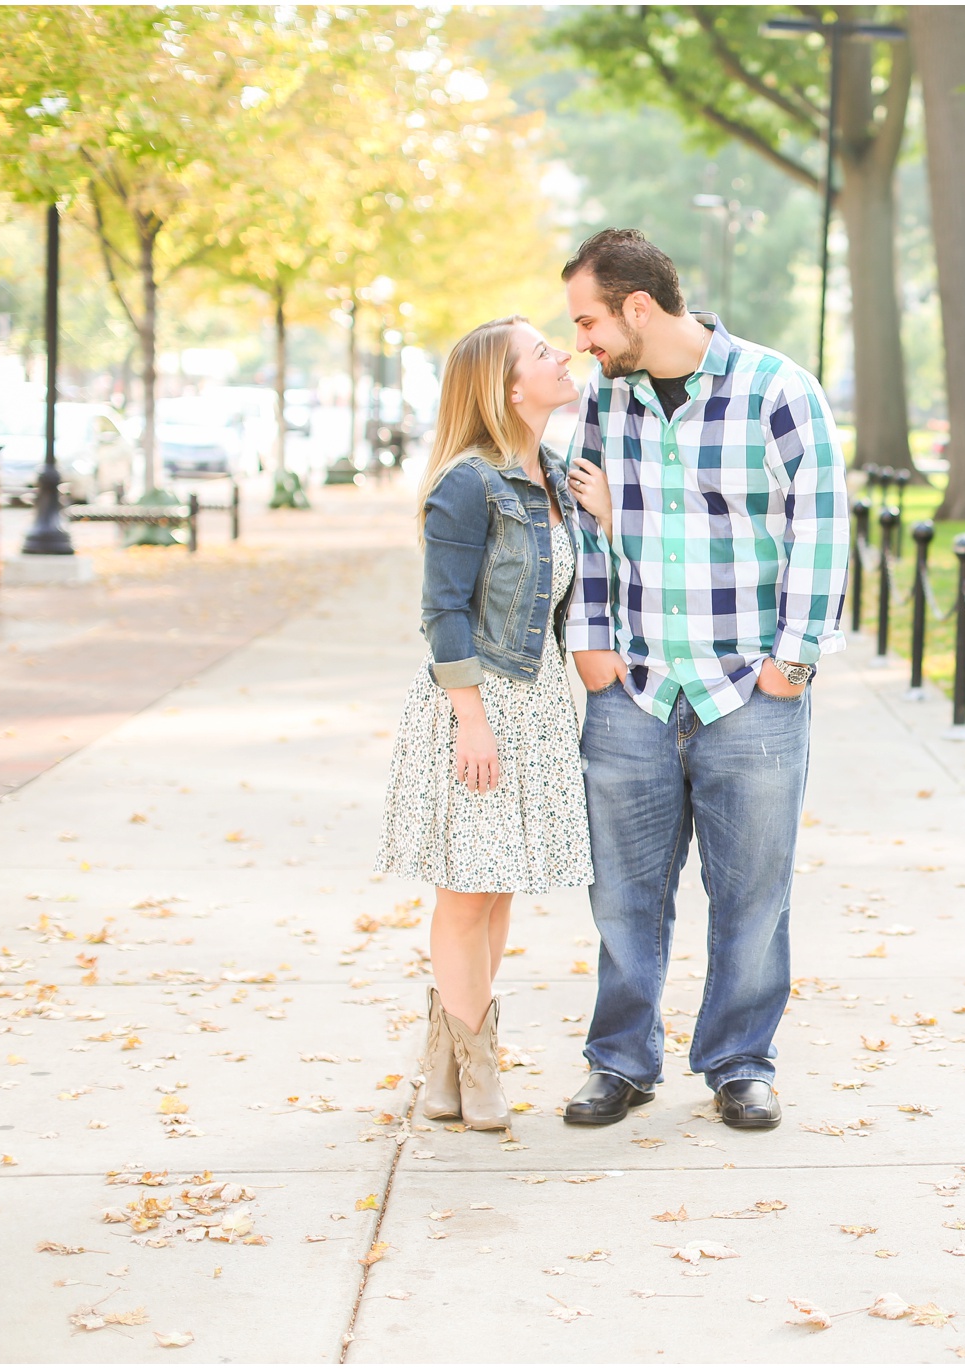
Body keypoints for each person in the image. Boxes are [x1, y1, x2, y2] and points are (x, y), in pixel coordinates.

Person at [557, 228, 847, 1130]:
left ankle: (739, 1061)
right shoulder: (609, 400)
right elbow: (591, 522)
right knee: (622, 891)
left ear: (638, 307)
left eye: (589, 320)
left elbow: (821, 528)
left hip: (748, 693)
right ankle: (621, 1060)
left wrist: (791, 663)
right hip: (633, 687)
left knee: (754, 890)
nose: (583, 343)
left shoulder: (778, 390)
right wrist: (589, 639)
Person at [374, 316, 593, 1132]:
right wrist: (471, 718)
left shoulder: (556, 474)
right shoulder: (467, 482)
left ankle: (447, 1064)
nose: (560, 356)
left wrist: (597, 510)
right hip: (476, 704)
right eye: (542, 352)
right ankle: (479, 1069)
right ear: (507, 387)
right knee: (466, 893)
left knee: (496, 890)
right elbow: (443, 614)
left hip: (534, 705)